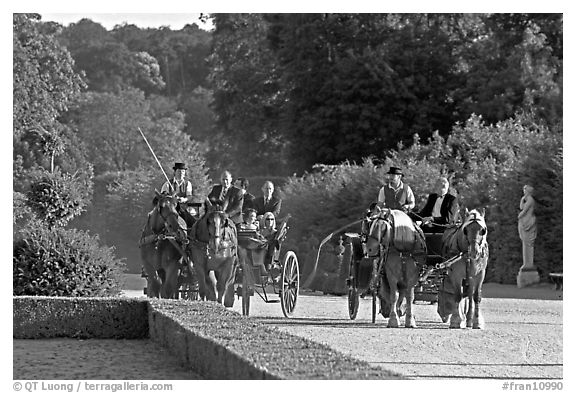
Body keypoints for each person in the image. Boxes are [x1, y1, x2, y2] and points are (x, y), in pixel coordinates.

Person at [159, 162, 195, 228]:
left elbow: (189, 196)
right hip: (170, 209)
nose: (181, 173)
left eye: (183, 171)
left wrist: (183, 199)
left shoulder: (188, 184)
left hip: (183, 208)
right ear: (175, 172)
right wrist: (171, 198)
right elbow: (162, 197)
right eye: (179, 171)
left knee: (193, 222)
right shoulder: (167, 184)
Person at [518, 184, 537, 270]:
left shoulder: (530, 200)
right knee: (525, 243)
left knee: (528, 243)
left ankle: (529, 264)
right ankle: (526, 263)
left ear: (528, 191)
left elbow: (524, 211)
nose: (524, 192)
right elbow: (521, 207)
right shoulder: (527, 199)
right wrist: (522, 199)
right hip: (525, 221)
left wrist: (519, 216)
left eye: (525, 190)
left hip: (529, 221)